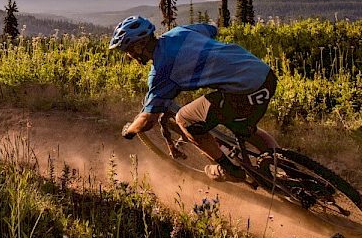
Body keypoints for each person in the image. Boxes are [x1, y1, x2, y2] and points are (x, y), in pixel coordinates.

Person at [110, 15, 277, 182]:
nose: (129, 55)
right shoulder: (180, 31)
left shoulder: (161, 71)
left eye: (129, 50)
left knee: (185, 118)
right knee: (243, 127)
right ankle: (284, 165)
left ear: (139, 46)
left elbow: (148, 120)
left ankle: (229, 170)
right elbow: (212, 29)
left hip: (243, 92)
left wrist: (129, 131)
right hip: (265, 77)